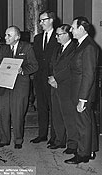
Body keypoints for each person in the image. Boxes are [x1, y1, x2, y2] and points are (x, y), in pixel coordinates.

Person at [0, 26, 38, 149]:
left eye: (9, 35)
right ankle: (4, 139)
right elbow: (0, 66)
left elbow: (34, 66)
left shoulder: (27, 47)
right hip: (4, 86)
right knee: (3, 113)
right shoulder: (2, 48)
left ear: (17, 37)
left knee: (18, 113)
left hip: (20, 86)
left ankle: (18, 140)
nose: (5, 37)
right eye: (5, 35)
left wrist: (22, 70)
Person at [65, 16, 99, 164]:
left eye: (73, 27)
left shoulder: (89, 46)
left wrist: (82, 99)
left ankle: (83, 154)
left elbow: (89, 75)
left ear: (81, 29)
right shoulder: (82, 44)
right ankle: (90, 151)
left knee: (82, 124)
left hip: (83, 93)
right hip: (79, 91)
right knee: (87, 121)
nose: (70, 30)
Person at [47, 24, 78, 154]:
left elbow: (70, 68)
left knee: (69, 117)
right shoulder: (57, 48)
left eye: (59, 34)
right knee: (57, 115)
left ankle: (72, 144)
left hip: (66, 87)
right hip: (54, 86)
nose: (56, 37)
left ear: (67, 35)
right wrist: (50, 77)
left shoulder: (75, 48)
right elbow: (52, 64)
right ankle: (59, 141)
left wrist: (56, 79)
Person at [30, 10, 59, 145]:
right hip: (39, 78)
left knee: (54, 108)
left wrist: (55, 76)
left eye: (43, 20)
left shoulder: (59, 36)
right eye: (40, 21)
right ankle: (42, 135)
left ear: (51, 20)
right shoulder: (37, 38)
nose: (40, 23)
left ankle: (55, 137)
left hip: (53, 78)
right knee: (41, 107)